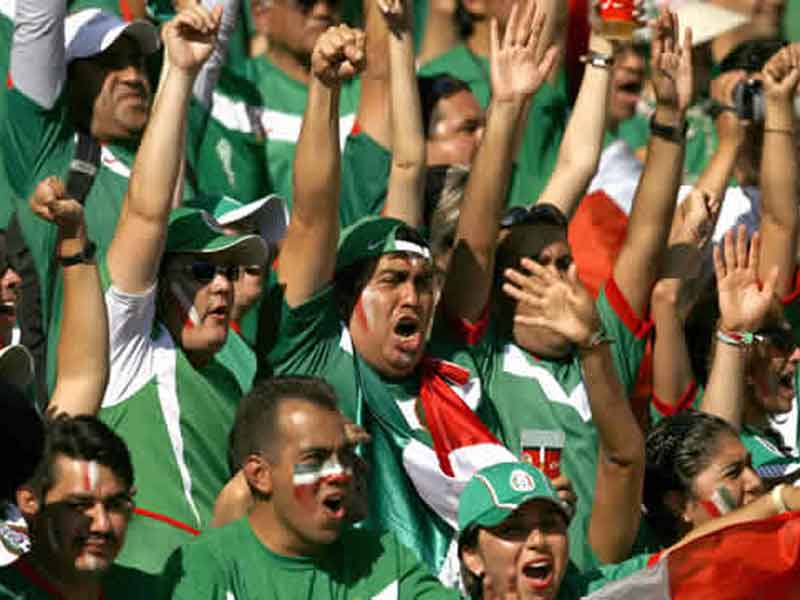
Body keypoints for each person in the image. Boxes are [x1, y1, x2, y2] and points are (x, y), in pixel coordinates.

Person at [260, 4, 569, 582]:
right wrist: (325, 90)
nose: (414, 296)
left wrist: (506, 107)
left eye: (423, 282)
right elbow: (312, 213)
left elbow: (470, 231)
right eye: (391, 280)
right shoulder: (320, 359)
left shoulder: (448, 363)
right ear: (347, 299)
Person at [438, 8, 691, 570]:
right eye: (540, 266)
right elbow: (475, 239)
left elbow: (646, 237)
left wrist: (670, 116)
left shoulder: (602, 347)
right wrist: (507, 106)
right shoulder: (481, 359)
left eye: (567, 262)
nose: (564, 278)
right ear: (502, 288)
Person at [96, 4, 269, 575]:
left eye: (230, 272)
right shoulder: (127, 351)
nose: (221, 286)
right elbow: (148, 214)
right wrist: (179, 71)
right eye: (200, 271)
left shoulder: (237, 373)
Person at [164, 376, 461, 600]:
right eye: (315, 459)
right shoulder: (201, 568)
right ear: (260, 475)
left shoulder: (383, 559)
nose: (339, 473)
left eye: (344, 455)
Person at [0, 415, 159, 600]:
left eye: (115, 505)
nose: (102, 525)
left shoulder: (149, 592)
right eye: (79, 505)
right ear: (29, 501)